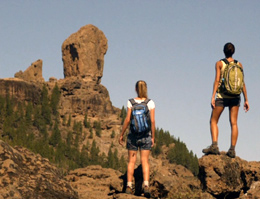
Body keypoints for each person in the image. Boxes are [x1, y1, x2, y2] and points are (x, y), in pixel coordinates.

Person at [202, 42, 249, 158]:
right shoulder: (239, 65)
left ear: (224, 51)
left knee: (213, 120)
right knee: (234, 123)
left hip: (222, 97)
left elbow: (217, 80)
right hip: (235, 97)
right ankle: (232, 149)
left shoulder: (219, 63)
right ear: (233, 52)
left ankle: (214, 145)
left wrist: (213, 96)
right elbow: (242, 83)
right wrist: (246, 99)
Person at [119, 80, 155, 197]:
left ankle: (129, 186)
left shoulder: (131, 102)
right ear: (146, 89)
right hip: (145, 136)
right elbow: (153, 121)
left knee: (131, 162)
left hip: (133, 136)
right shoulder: (150, 103)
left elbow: (128, 120)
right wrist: (153, 137)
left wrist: (122, 134)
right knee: (145, 161)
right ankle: (146, 186)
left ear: (135, 89)